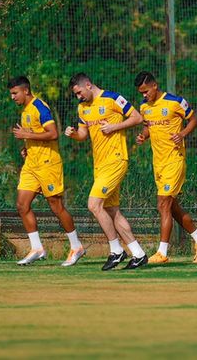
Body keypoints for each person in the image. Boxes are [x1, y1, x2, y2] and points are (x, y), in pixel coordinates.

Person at [64, 73, 147, 270]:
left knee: (94, 204)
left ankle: (116, 250)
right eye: (75, 95)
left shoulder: (111, 98)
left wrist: (114, 126)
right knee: (112, 211)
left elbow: (137, 117)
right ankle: (138, 253)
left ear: (88, 84)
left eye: (79, 92)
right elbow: (84, 134)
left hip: (116, 159)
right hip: (99, 165)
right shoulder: (82, 108)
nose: (78, 97)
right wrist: (74, 134)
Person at [135, 72, 197, 264]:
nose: (144, 95)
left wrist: (183, 133)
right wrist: (144, 136)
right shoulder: (144, 107)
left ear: (154, 86)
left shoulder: (175, 102)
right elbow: (148, 126)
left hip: (174, 161)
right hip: (158, 163)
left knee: (163, 204)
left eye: (145, 91)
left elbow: (193, 120)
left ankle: (162, 252)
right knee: (171, 207)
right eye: (141, 93)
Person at [8, 76, 84, 266]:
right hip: (31, 164)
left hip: (48, 163)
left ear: (26, 91)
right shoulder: (25, 110)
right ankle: (37, 248)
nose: (12, 97)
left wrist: (27, 135)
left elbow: (53, 133)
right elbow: (36, 135)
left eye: (15, 93)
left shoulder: (40, 106)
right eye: (11, 94)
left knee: (56, 206)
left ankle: (76, 247)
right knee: (21, 205)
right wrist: (28, 145)